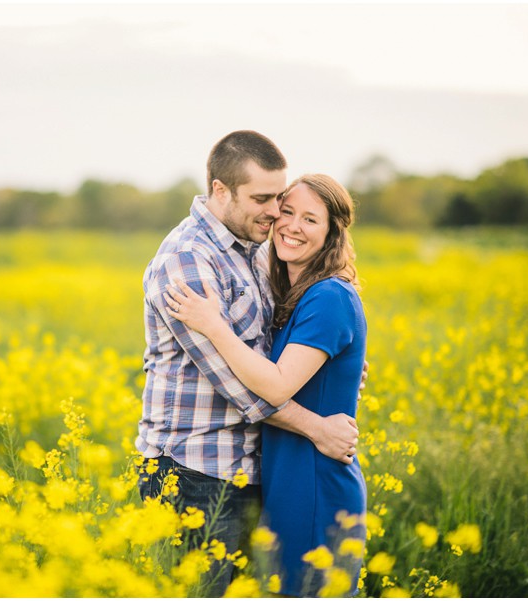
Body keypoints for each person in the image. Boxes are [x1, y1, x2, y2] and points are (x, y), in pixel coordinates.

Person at [135, 130, 361, 596]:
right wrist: (317, 427)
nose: (277, 213)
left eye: (280, 197)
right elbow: (244, 386)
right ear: (221, 190)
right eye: (264, 199)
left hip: (251, 472)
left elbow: (276, 351)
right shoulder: (188, 262)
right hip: (194, 474)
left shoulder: (254, 251)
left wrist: (334, 366)